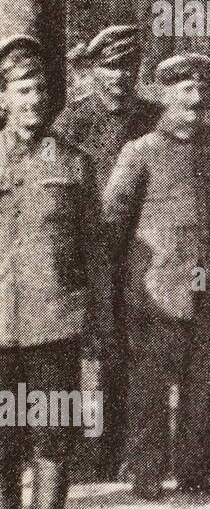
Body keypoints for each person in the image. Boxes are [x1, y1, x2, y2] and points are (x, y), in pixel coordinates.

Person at [101, 53, 210, 502]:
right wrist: (122, 287)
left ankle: (196, 472)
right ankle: (146, 472)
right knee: (149, 386)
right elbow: (112, 223)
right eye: (186, 90)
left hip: (209, 288)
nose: (196, 98)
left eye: (201, 90)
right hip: (159, 291)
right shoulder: (141, 151)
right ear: (165, 94)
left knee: (204, 385)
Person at [0, 35, 113, 509]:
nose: (35, 100)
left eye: (42, 89)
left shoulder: (75, 164)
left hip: (54, 320)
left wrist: (98, 323)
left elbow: (96, 250)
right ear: (4, 98)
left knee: (52, 430)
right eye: (24, 90)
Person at [51, 24, 161, 480]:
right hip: (83, 252)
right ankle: (67, 449)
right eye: (110, 68)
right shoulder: (71, 123)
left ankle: (116, 449)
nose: (119, 77)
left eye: (128, 68)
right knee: (72, 348)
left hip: (141, 252)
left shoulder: (154, 118)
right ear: (93, 72)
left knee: (125, 351)